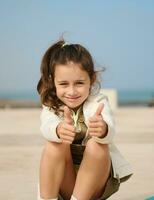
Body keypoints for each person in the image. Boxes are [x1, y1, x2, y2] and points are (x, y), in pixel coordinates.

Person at [37, 39, 133, 200]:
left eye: (79, 83)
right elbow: (46, 126)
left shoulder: (98, 101)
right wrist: (57, 129)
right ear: (53, 82)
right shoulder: (51, 105)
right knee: (53, 144)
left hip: (94, 182)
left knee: (97, 145)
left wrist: (103, 129)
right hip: (64, 180)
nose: (72, 91)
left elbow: (110, 130)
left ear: (92, 79)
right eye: (64, 84)